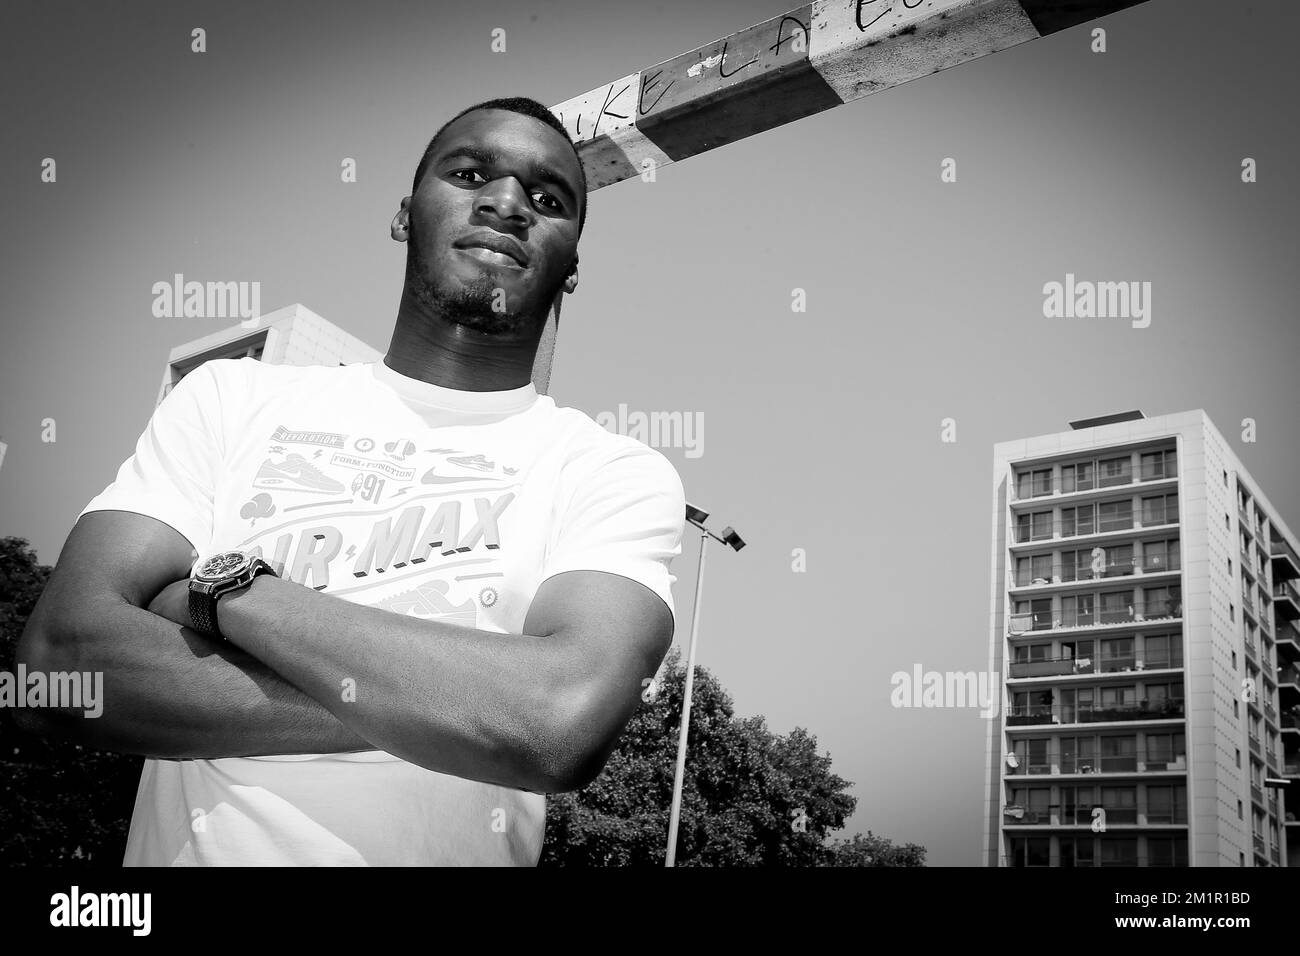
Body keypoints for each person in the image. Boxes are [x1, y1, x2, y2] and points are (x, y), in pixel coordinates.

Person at [15, 96, 686, 866]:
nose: (506, 204)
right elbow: (59, 667)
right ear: (404, 215)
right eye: (469, 173)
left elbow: (557, 723)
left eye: (548, 199)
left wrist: (225, 593)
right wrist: (455, 701)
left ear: (572, 268)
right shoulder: (232, 400)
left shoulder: (612, 472)